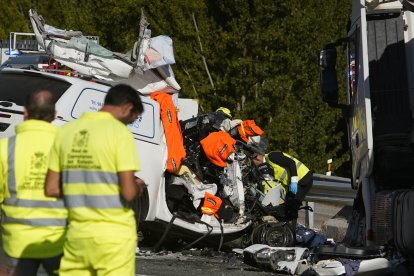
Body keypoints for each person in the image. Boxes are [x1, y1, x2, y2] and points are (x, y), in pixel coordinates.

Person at [45, 84, 146, 276]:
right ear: (127, 107)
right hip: (113, 237)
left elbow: (50, 189)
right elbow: (128, 192)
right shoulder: (119, 132)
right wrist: (138, 185)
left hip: (76, 236)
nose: (128, 124)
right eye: (131, 120)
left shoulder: (66, 131)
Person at [0, 90, 67, 276]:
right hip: (59, 240)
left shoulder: (5, 148)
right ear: (54, 115)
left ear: (25, 112)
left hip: (16, 243)